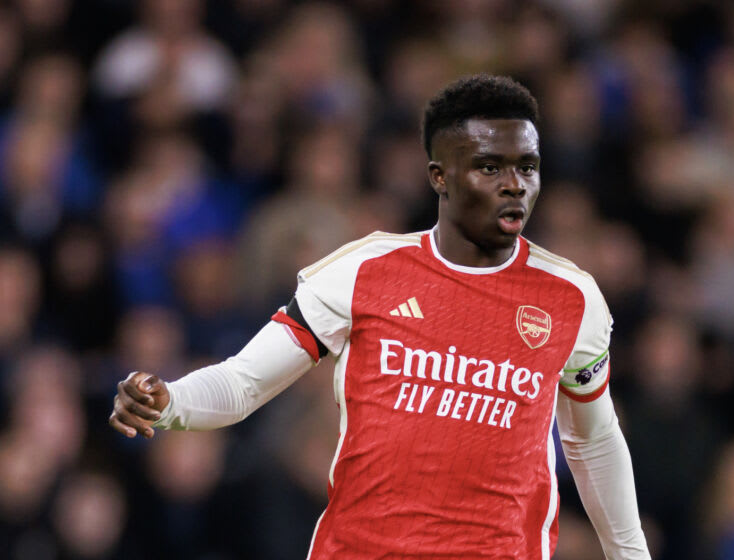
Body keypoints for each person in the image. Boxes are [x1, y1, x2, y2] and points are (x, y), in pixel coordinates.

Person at [110, 74, 650, 559]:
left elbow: (593, 439)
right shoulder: (362, 271)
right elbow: (243, 383)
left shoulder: (572, 299)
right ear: (440, 176)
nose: (515, 184)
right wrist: (172, 402)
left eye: (527, 166)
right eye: (490, 166)